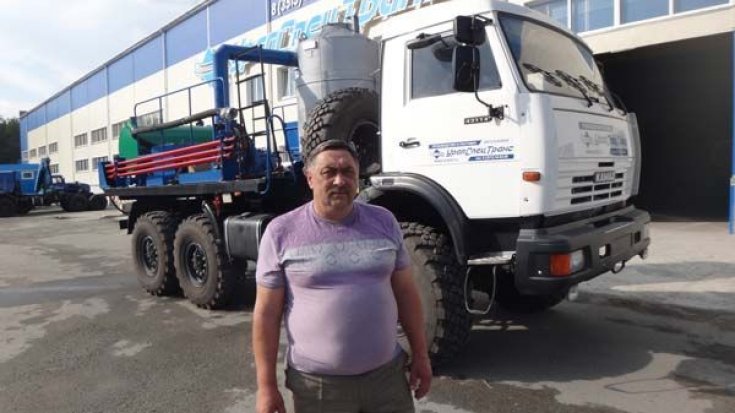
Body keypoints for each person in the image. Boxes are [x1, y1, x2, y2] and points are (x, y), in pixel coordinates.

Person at [253, 139, 432, 413]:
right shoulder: (281, 232)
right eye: (329, 172)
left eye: (348, 172)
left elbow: (406, 293)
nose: (340, 180)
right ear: (310, 178)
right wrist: (266, 386)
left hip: (387, 381)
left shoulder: (384, 222)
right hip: (319, 388)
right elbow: (266, 313)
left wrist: (421, 355)